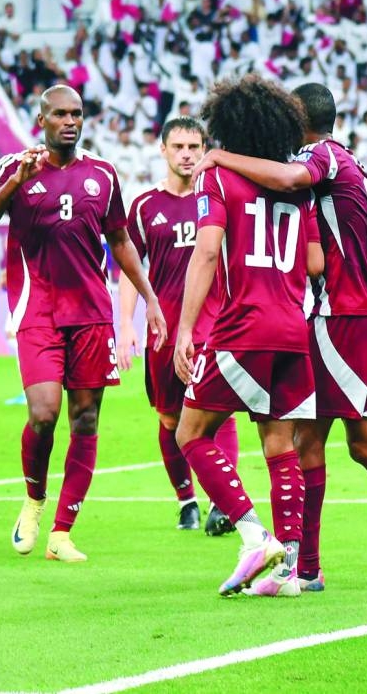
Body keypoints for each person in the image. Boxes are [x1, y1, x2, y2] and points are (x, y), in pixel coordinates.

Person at [192, 83, 367, 595]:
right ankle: (306, 568)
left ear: (296, 121)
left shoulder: (319, 158)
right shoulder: (354, 164)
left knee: (358, 445)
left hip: (343, 315)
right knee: (312, 440)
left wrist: (222, 155)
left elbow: (289, 178)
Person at [0, 85, 167, 563]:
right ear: (41, 119)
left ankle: (62, 533)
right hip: (37, 310)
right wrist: (15, 183)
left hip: (90, 314)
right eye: (60, 114)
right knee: (43, 414)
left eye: (77, 114)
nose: (70, 121)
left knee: (85, 418)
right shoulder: (15, 168)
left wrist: (150, 299)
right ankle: (33, 501)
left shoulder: (102, 174)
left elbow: (120, 241)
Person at [171, 74, 320, 598]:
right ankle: (289, 572)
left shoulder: (218, 178)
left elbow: (207, 252)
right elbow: (316, 261)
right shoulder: (293, 189)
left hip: (243, 327)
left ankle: (253, 535)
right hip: (292, 326)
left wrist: (185, 327)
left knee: (189, 434)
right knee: (280, 445)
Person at [117, 117, 240, 534]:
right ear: (163, 150)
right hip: (165, 330)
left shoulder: (220, 195)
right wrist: (126, 326)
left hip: (216, 324)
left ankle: (223, 503)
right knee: (170, 419)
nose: (187, 154)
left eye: (194, 146)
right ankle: (186, 499)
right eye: (179, 147)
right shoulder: (144, 206)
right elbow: (130, 270)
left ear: (205, 148)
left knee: (220, 413)